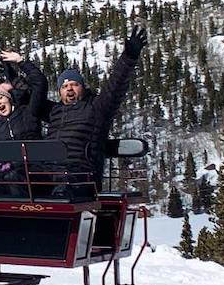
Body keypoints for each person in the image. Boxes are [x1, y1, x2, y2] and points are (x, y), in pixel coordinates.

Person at [31, 25, 149, 200]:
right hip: (49, 171)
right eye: (64, 86)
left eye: (74, 85)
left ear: (83, 88)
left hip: (82, 174)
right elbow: (29, 98)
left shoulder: (97, 107)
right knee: (14, 179)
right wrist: (11, 70)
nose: (69, 89)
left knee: (64, 186)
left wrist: (129, 57)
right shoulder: (54, 111)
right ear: (59, 92)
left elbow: (115, 87)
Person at [0, 52, 47, 194]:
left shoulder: (27, 112)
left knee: (14, 177)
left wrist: (21, 61)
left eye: (0, 98)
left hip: (33, 168)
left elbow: (40, 84)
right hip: (6, 170)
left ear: (9, 99)